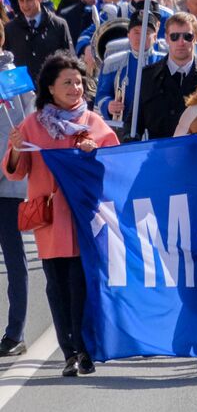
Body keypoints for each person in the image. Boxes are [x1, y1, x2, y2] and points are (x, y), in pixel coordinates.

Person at [4, 53, 119, 376]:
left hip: (85, 220)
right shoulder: (31, 124)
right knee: (57, 286)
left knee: (82, 284)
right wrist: (15, 148)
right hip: (51, 221)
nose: (74, 88)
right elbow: (16, 173)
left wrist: (92, 152)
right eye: (67, 82)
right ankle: (69, 351)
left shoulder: (94, 123)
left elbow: (114, 163)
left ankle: (86, 348)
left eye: (79, 82)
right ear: (50, 88)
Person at [0, 26, 32, 359]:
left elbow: (26, 125)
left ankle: (15, 332)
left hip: (6, 183)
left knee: (13, 259)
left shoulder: (12, 76)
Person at [127, 12, 197, 141]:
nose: (181, 42)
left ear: (196, 38)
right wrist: (129, 141)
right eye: (174, 36)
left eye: (188, 36)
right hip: (158, 156)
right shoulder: (148, 76)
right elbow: (134, 121)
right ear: (167, 38)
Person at [4, 0, 74, 83]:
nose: (25, 5)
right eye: (21, 1)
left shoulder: (59, 25)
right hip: (23, 90)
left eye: (29, 0)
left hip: (52, 86)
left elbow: (69, 57)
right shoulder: (10, 28)